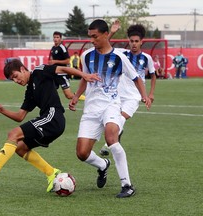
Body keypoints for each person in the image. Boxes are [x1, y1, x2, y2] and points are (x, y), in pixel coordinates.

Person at [0, 59, 100, 192]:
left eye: (15, 76)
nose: (16, 81)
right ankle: (52, 173)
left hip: (53, 117)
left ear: (23, 69)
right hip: (49, 120)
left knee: (13, 134)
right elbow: (20, 116)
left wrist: (83, 75)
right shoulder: (29, 91)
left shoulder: (40, 71)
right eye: (12, 80)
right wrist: (3, 110)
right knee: (20, 147)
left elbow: (63, 69)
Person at [69, 19, 151, 198]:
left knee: (112, 136)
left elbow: (136, 78)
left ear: (106, 35)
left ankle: (127, 184)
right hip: (91, 109)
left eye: (95, 36)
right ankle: (102, 165)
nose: (92, 40)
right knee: (82, 153)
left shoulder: (120, 57)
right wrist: (76, 96)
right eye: (90, 36)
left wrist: (144, 96)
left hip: (111, 105)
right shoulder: (87, 56)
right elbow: (84, 78)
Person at [99, 22, 156, 156]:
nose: (134, 44)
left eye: (136, 41)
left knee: (121, 118)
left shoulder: (147, 58)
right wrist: (112, 32)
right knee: (114, 119)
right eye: (131, 41)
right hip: (118, 94)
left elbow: (153, 76)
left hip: (134, 96)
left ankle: (107, 145)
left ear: (142, 42)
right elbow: (104, 44)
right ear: (128, 42)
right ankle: (117, 134)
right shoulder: (122, 54)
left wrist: (150, 94)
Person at [49, 31, 85, 100]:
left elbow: (68, 60)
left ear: (60, 39)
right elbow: (53, 60)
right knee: (50, 91)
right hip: (55, 73)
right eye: (54, 37)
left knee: (68, 95)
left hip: (63, 74)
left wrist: (55, 61)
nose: (56, 39)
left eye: (57, 37)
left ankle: (84, 98)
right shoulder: (53, 48)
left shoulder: (62, 47)